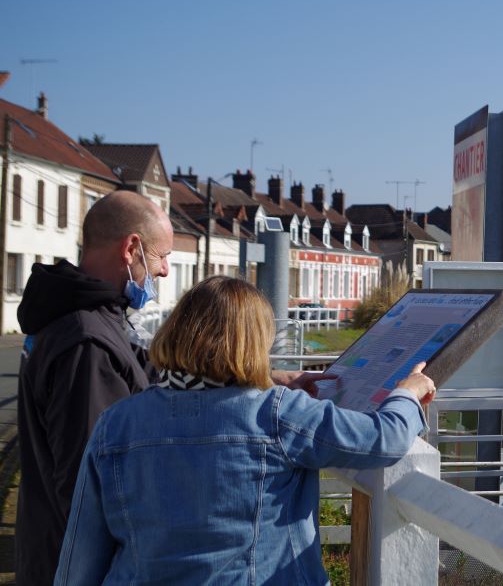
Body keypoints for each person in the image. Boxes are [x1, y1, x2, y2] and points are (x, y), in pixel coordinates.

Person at [16, 190, 327, 584]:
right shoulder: (87, 342)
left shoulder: (91, 319)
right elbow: (90, 480)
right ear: (131, 249)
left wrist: (267, 378)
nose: (164, 271)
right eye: (162, 256)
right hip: (75, 565)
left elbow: (148, 372)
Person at [54, 276, 436, 583]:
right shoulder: (277, 415)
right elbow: (380, 440)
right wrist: (406, 393)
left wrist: (272, 382)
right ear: (254, 342)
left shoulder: (116, 424)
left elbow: (81, 553)